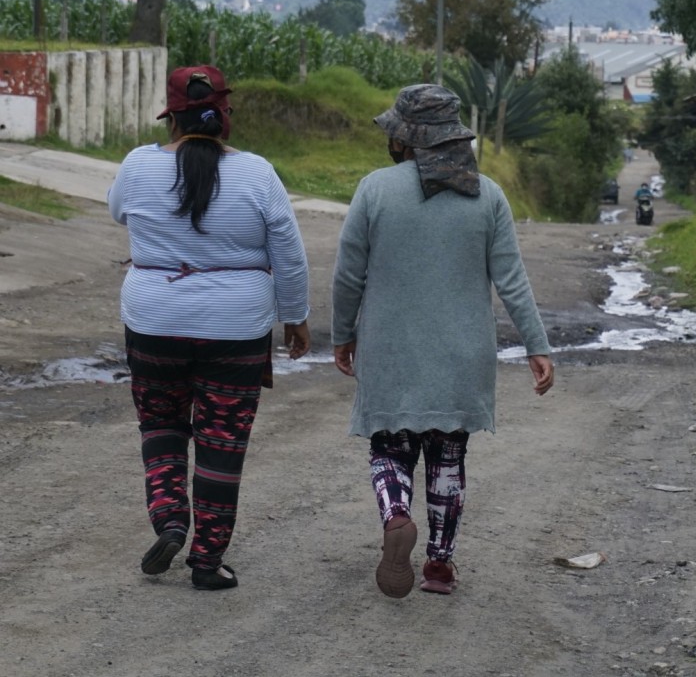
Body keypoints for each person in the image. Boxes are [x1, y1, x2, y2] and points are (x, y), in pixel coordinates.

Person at [332, 83, 554, 598]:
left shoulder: (374, 190)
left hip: (390, 349)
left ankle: (395, 516)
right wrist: (536, 346)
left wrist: (343, 335)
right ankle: (438, 564)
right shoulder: (488, 196)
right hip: (462, 355)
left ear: (404, 139)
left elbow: (348, 276)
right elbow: (512, 279)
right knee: (448, 459)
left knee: (390, 447)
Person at [108, 65, 311, 591]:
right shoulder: (258, 174)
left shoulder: (137, 165)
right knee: (222, 442)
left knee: (161, 426)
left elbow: (117, 213)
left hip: (153, 322)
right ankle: (206, 560)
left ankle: (170, 520)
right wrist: (295, 316)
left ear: (171, 117)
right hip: (236, 329)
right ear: (224, 116)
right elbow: (287, 253)